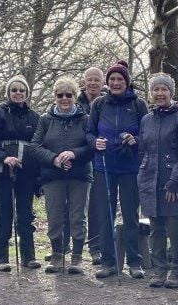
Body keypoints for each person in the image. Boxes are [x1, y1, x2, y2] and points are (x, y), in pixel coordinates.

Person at [86, 60, 148, 279]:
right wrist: (95, 143)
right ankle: (109, 262)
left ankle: (134, 262)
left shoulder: (139, 105)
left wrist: (135, 140)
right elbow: (89, 133)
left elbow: (147, 135)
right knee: (106, 214)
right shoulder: (99, 105)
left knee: (131, 215)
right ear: (107, 82)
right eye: (112, 79)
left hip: (130, 167)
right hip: (104, 166)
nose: (115, 83)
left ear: (127, 82)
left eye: (120, 79)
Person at [28, 77, 93, 274]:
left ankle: (77, 258)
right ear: (54, 97)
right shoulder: (45, 120)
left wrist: (75, 154)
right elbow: (34, 146)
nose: (64, 99)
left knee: (77, 216)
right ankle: (57, 256)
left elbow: (93, 146)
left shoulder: (86, 119)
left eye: (69, 95)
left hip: (79, 175)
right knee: (54, 215)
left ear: (75, 96)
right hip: (52, 176)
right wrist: (54, 159)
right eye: (60, 95)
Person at [138, 73, 178, 288]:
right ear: (151, 94)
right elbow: (143, 152)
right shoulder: (146, 120)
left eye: (164, 90)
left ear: (170, 92)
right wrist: (141, 177)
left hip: (173, 184)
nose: (160, 94)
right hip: (149, 182)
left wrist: (174, 181)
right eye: (155, 90)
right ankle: (160, 269)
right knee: (156, 229)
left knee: (174, 229)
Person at [0, 75, 41, 272]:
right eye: (14, 90)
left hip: (27, 173)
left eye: (21, 90)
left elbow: (39, 144)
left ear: (27, 94)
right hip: (2, 172)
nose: (18, 93)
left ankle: (29, 256)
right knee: (4, 212)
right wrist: (3, 157)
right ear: (8, 93)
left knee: (25, 213)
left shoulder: (34, 117)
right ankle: (1, 258)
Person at [78, 67, 106, 265]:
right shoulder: (73, 100)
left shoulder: (107, 102)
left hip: (100, 160)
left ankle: (96, 246)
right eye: (90, 79)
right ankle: (66, 247)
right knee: (72, 205)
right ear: (83, 81)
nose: (93, 83)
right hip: (78, 158)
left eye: (97, 79)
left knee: (97, 205)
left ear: (103, 82)